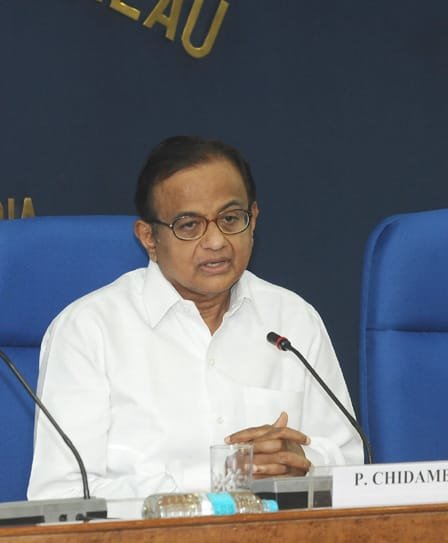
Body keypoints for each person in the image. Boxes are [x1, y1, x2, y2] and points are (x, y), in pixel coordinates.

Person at [28, 136, 363, 508]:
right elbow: (62, 496)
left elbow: (352, 465)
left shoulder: (293, 319)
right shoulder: (89, 331)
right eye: (189, 226)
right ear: (149, 238)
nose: (217, 241)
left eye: (231, 219)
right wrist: (225, 476)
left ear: (254, 220)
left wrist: (300, 463)